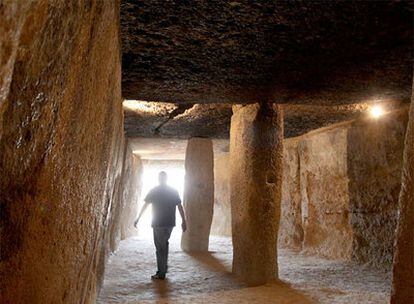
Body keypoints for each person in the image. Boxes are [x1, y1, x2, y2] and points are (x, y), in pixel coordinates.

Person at [134, 171, 187, 280]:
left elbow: (145, 205)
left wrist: (138, 218)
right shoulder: (173, 191)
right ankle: (163, 267)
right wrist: (184, 220)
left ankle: (161, 272)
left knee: (160, 247)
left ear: (159, 179)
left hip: (158, 223)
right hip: (169, 223)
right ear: (166, 179)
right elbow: (179, 206)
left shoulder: (154, 191)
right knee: (165, 244)